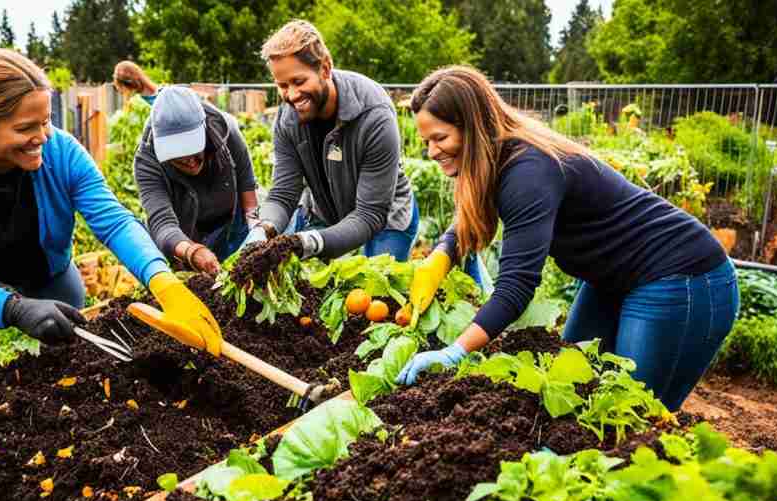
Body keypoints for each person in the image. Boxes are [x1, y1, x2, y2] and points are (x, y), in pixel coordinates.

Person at [396, 66, 738, 412]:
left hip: (681, 278)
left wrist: (455, 352)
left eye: (440, 138)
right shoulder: (494, 159)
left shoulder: (527, 170)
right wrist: (440, 256)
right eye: (426, 142)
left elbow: (516, 285)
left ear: (474, 126)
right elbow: (468, 220)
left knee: (630, 415)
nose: (432, 151)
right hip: (612, 279)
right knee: (570, 391)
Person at [0, 48, 221, 388]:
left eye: (46, 121)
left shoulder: (61, 151)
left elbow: (114, 221)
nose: (42, 137)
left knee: (67, 338)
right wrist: (12, 309)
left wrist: (162, 279)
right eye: (26, 127)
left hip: (32, 259)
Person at [243, 20, 419, 261]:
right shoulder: (287, 119)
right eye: (282, 85)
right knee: (304, 289)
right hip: (324, 211)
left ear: (325, 68)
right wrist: (264, 229)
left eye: (299, 81)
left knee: (377, 292)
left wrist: (311, 242)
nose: (292, 95)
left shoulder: (373, 114)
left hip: (384, 214)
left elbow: (369, 215)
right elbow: (284, 193)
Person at [134, 86, 260, 276]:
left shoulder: (225, 131)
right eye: (178, 155)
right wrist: (192, 251)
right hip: (185, 236)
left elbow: (247, 184)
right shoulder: (147, 160)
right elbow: (162, 224)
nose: (190, 161)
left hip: (230, 224)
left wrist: (256, 233)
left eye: (193, 151)